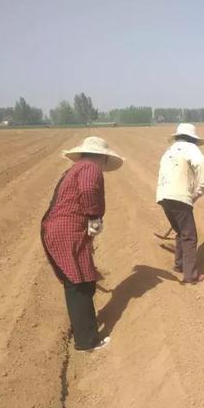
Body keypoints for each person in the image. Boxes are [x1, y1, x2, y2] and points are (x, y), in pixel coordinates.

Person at [41, 136, 124, 352]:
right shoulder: (90, 168)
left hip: (58, 229)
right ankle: (87, 341)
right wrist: (94, 216)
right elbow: (88, 190)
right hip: (67, 231)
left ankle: (84, 330)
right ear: (103, 158)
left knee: (79, 283)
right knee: (79, 285)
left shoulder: (77, 167)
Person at [156, 123, 204, 283]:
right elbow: (200, 164)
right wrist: (202, 187)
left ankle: (179, 264)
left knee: (180, 231)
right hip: (179, 196)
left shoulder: (169, 151)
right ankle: (191, 275)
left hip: (163, 195)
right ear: (192, 138)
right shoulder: (191, 148)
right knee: (189, 236)